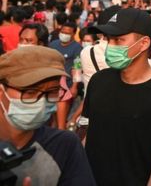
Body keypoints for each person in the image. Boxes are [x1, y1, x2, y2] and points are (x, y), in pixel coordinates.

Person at [83, 8, 151, 185]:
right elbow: (89, 136)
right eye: (109, 39)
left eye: (119, 40)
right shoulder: (99, 81)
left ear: (144, 43)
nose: (110, 46)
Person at [0, 46, 96, 185]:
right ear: (2, 91)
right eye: (30, 92)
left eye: (52, 92)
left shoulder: (64, 144)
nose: (41, 101)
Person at [48, 22, 83, 130]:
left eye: (67, 33)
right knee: (53, 118)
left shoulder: (77, 47)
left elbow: (77, 67)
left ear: (73, 34)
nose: (64, 34)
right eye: (62, 32)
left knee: (61, 120)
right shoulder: (53, 44)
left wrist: (74, 87)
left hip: (66, 86)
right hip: (52, 85)